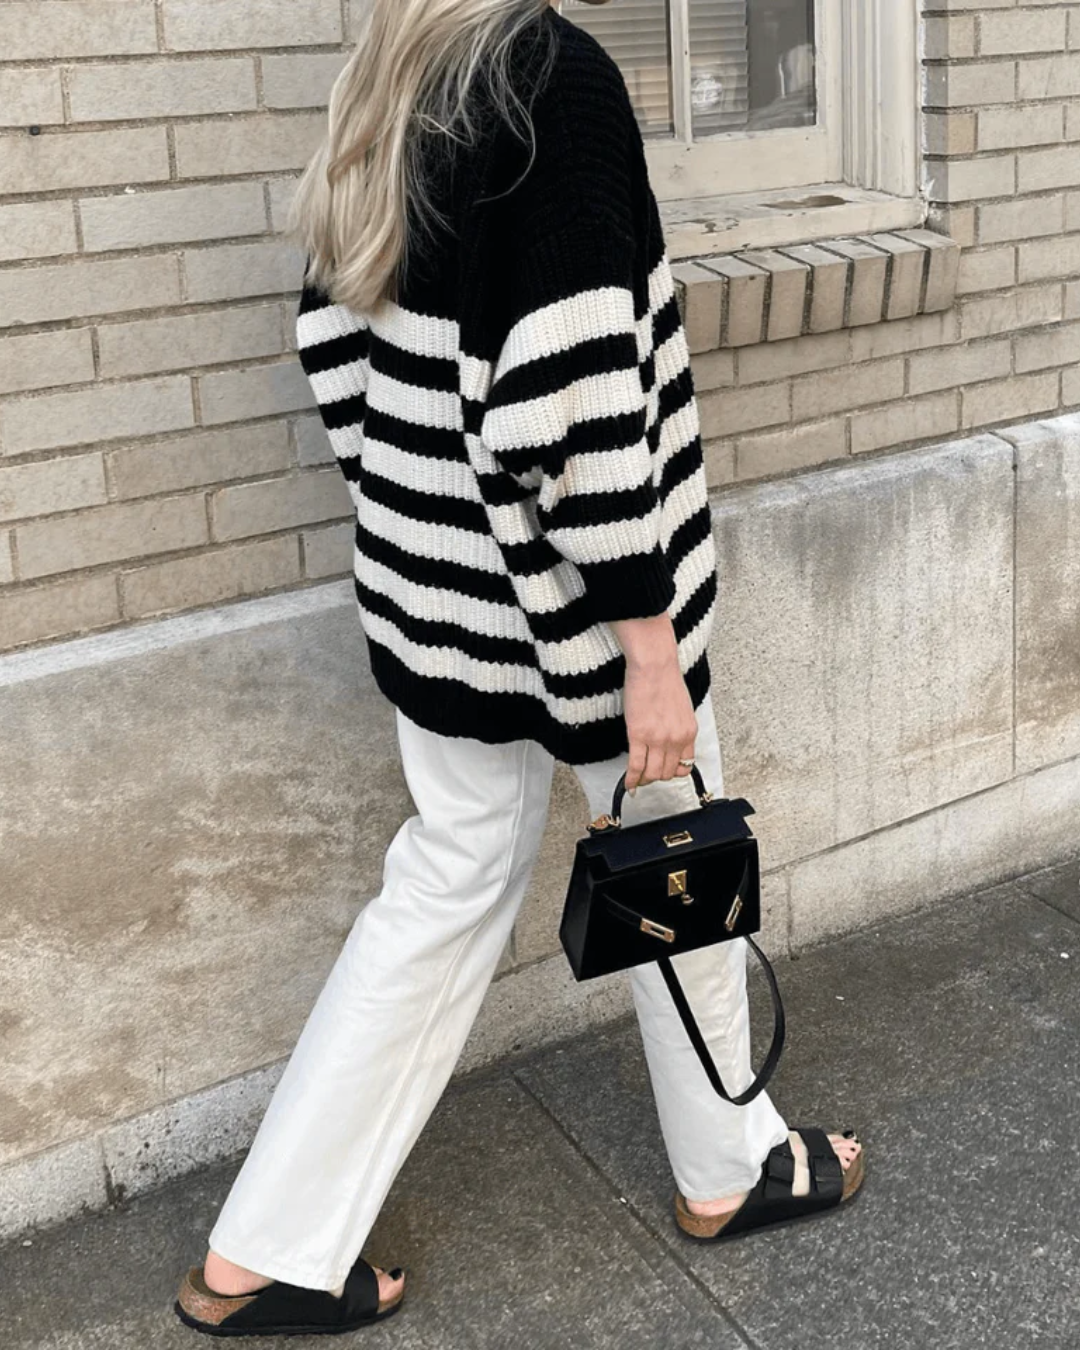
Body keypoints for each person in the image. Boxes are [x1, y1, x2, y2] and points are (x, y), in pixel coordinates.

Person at [174, 0, 864, 1336]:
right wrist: (651, 647)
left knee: (444, 884)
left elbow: (334, 347)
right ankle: (730, 1166)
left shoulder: (400, 74)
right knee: (676, 865)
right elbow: (581, 404)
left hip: (440, 601)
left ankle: (263, 1246)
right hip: (583, 615)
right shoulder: (555, 81)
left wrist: (429, 521)